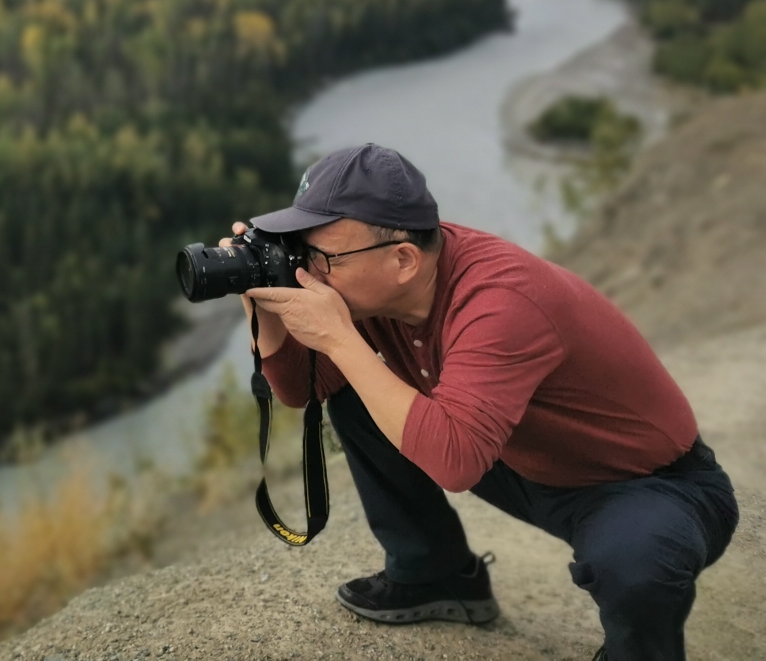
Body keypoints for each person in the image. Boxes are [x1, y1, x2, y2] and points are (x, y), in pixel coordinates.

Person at [233, 142, 738, 661]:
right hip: (521, 461)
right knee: (355, 394)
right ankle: (435, 573)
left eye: (320, 257)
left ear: (403, 258)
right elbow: (305, 389)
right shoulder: (376, 287)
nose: (308, 271)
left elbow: (455, 461)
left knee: (633, 564)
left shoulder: (499, 300)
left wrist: (338, 338)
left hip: (643, 486)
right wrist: (261, 298)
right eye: (297, 247)